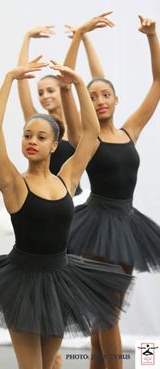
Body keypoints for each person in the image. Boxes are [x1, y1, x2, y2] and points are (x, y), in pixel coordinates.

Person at [0, 59, 133, 369]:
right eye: (28, 135)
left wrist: (79, 83)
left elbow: (91, 134)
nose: (32, 141)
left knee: (50, 364)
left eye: (41, 137)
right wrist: (9, 79)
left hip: (59, 281)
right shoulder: (13, 183)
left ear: (55, 145)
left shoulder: (67, 179)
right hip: (23, 283)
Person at [62, 14, 160, 369]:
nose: (100, 100)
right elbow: (64, 87)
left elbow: (159, 81)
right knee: (107, 314)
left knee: (105, 314)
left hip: (128, 225)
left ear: (117, 100)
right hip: (95, 226)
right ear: (87, 104)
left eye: (106, 95)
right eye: (92, 96)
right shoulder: (85, 136)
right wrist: (80, 36)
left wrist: (152, 36)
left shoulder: (129, 130)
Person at [0, 15, 113, 236]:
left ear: (54, 144)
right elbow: (17, 93)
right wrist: (23, 48)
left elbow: (90, 127)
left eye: (50, 90)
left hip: (65, 196)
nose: (45, 96)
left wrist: (80, 38)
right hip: (34, 196)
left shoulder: (73, 128)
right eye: (28, 136)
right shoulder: (37, 121)